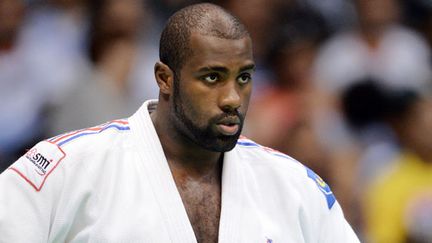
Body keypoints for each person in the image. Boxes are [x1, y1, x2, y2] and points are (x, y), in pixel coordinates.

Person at [0, 3, 359, 242]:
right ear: (165, 78)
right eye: (212, 78)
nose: (233, 97)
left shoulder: (295, 187)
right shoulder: (67, 168)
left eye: (244, 78)